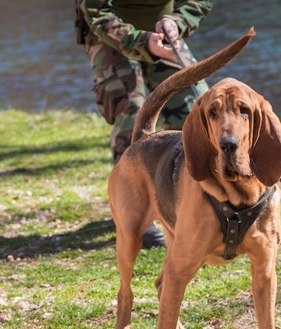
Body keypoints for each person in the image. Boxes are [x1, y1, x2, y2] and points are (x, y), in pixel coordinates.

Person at [76, 0, 213, 247]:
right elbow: (97, 12)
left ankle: (210, 195)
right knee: (133, 111)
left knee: (202, 109)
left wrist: (177, 22)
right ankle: (134, 209)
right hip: (110, 36)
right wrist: (141, 42)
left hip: (164, 32)